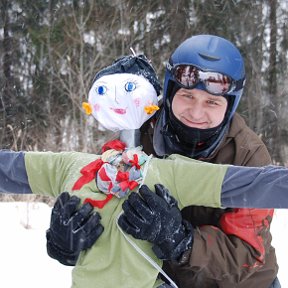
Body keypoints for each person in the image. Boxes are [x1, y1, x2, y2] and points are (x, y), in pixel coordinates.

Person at [45, 35, 281, 288]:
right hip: (160, 280)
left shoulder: (248, 156)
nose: (196, 112)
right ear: (169, 92)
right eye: (187, 96)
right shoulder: (134, 137)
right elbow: (106, 211)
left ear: (230, 106)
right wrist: (69, 241)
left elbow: (247, 254)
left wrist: (181, 239)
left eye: (212, 102)